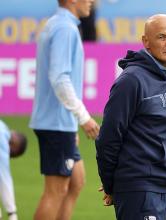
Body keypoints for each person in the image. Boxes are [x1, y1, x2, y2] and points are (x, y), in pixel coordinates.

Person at [95, 14, 166, 220]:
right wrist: (110, 184)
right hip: (141, 190)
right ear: (146, 42)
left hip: (165, 188)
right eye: (162, 37)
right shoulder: (131, 80)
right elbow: (108, 138)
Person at [29, 0, 99, 220]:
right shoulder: (64, 28)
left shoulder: (58, 24)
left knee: (75, 182)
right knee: (56, 191)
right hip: (55, 123)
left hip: (59, 122)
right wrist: (83, 117)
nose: (92, 2)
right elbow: (60, 79)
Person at [0, 119, 27, 220]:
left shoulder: (2, 125)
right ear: (13, 148)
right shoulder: (2, 138)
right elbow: (4, 179)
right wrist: (12, 213)